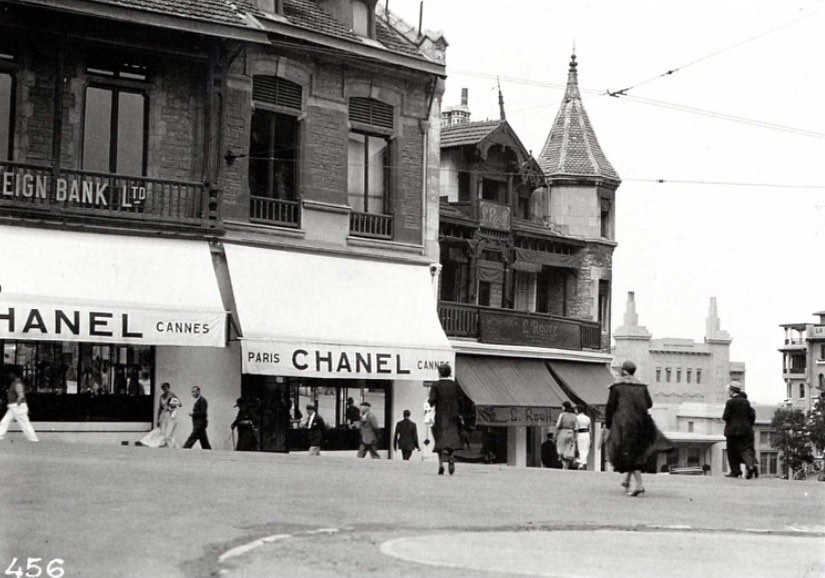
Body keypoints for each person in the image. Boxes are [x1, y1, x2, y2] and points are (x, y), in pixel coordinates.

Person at [605, 360, 671, 497]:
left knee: (627, 452)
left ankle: (639, 485)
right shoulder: (641, 386)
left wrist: (608, 423)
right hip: (640, 422)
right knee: (633, 450)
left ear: (623, 371)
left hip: (623, 423)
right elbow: (649, 403)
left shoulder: (617, 386)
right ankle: (627, 480)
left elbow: (610, 406)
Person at [427, 363, 464, 475]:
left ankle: (440, 465)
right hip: (453, 416)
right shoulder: (455, 385)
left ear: (439, 373)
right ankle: (451, 457)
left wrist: (428, 403)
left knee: (440, 440)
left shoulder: (436, 385)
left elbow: (432, 400)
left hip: (440, 416)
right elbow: (461, 400)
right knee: (452, 439)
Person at [722, 381, 757, 479]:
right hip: (745, 430)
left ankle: (735, 471)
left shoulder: (730, 402)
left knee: (732, 451)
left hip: (732, 431)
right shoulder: (746, 402)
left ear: (732, 391)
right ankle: (750, 466)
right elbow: (751, 416)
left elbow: (725, 416)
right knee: (744, 449)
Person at [0, 376, 39, 442]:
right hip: (14, 407)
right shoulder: (16, 384)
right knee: (5, 421)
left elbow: (21, 396)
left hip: (17, 406)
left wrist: (17, 405)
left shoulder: (17, 384)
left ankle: (33, 439)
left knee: (24, 423)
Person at [555, 402, 578, 469]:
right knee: (569, 450)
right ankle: (566, 466)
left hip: (563, 431)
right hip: (571, 432)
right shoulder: (574, 416)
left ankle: (563, 464)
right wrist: (575, 438)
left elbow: (558, 425)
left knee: (560, 448)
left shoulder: (562, 415)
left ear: (565, 407)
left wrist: (556, 435)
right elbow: (576, 427)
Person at [575, 405, 592, 470]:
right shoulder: (588, 418)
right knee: (585, 449)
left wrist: (575, 437)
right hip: (587, 434)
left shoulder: (577, 418)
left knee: (580, 449)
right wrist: (591, 439)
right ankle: (583, 462)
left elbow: (576, 428)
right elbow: (590, 430)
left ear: (578, 410)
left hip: (580, 434)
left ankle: (580, 463)